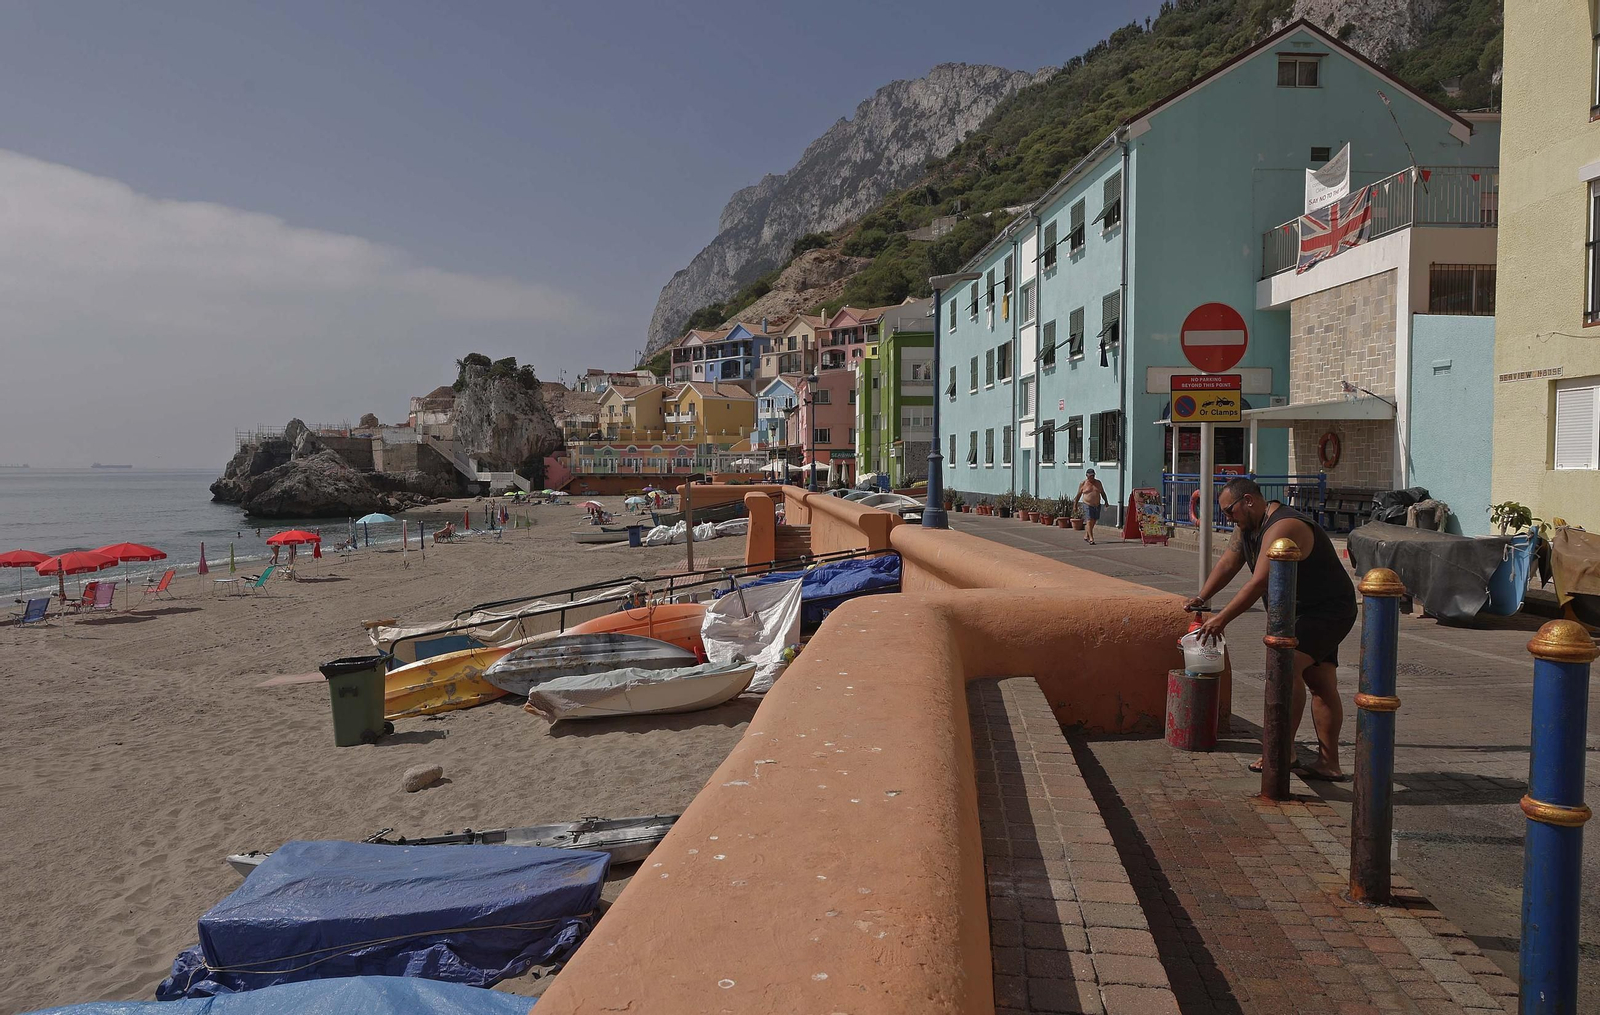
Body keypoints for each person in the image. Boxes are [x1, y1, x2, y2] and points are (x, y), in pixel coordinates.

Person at [1187, 478, 1357, 781]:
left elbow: (1259, 582)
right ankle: (1329, 764)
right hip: (1299, 611)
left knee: (1286, 669)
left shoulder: (1284, 526)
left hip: (1326, 610)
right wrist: (1202, 596)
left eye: (1230, 511)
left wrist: (1222, 619)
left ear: (1249, 501)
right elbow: (1229, 562)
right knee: (1320, 681)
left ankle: (1282, 751)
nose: (1229, 518)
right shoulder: (1248, 528)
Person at [1074, 469, 1108, 544]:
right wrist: (1075, 505)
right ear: (1087, 476)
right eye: (1090, 476)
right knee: (1089, 521)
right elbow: (1078, 495)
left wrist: (1106, 501)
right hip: (1087, 504)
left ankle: (1086, 535)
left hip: (1097, 505)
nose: (1092, 478)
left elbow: (1102, 493)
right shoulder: (1083, 483)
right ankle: (1091, 538)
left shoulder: (1098, 483)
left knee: (1093, 521)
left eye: (1093, 476)